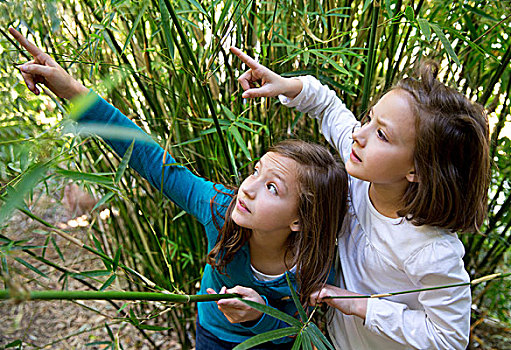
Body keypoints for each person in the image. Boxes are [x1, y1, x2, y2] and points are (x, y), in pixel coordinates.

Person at [9, 28, 349, 349]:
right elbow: (148, 156)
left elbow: (300, 331)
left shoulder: (315, 262)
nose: (248, 188)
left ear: (300, 221)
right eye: (256, 171)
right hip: (213, 334)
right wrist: (70, 89)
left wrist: (261, 316)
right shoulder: (220, 207)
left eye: (272, 188)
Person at [230, 46, 490, 349]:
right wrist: (287, 85)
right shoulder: (360, 168)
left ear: (417, 170)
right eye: (369, 118)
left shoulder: (432, 251)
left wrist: (363, 305)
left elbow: (450, 338)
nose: (359, 134)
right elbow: (328, 106)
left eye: (382, 134)